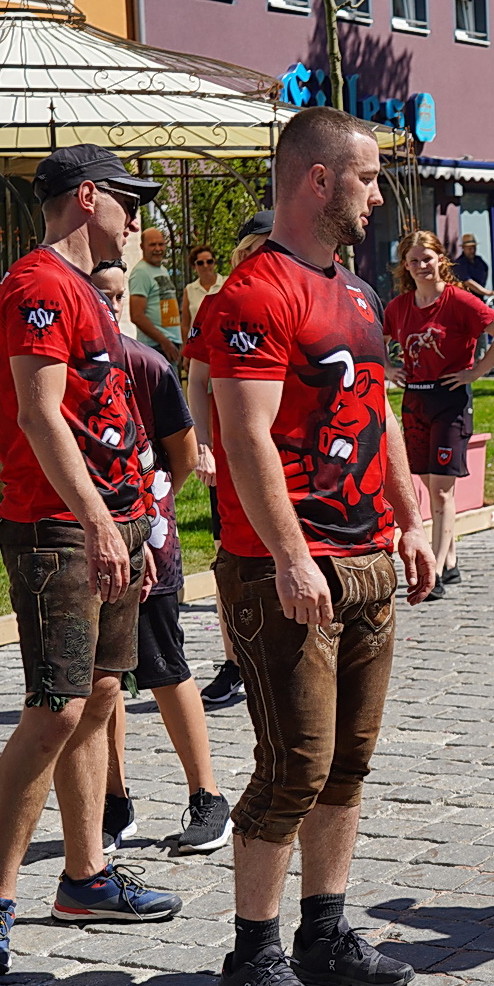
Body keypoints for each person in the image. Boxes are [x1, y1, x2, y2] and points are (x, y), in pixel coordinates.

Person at [191, 106, 436, 986]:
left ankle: (323, 934)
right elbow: (244, 436)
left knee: (347, 762)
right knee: (293, 765)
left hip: (366, 554)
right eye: (367, 178)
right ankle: (250, 959)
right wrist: (292, 556)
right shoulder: (253, 294)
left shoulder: (360, 293)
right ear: (319, 180)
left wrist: (409, 522)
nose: (378, 196)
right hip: (285, 569)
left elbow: (378, 413)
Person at [0, 144, 180, 979]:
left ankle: (85, 878)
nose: (138, 218)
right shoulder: (38, 285)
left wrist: (137, 525)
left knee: (101, 696)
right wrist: (97, 521)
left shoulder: (86, 289)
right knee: (55, 707)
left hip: (109, 524)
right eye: (129, 201)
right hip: (58, 527)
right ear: (88, 197)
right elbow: (41, 414)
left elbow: (106, 410)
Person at [86, 261, 232, 856]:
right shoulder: (67, 366)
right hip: (86, 540)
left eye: (117, 296)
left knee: (163, 663)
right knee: (102, 677)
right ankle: (113, 800)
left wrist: (146, 527)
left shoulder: (146, 364)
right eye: (98, 295)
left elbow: (183, 456)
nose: (109, 305)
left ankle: (207, 795)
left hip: (148, 535)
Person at [385, 230, 494, 600]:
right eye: (413, 260)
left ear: (441, 260)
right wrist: (387, 368)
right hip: (415, 400)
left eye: (427, 258)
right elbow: (373, 339)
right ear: (405, 265)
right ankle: (452, 558)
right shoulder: (399, 307)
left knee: (442, 490)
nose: (421, 266)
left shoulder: (459, 300)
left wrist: (475, 372)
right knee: (429, 484)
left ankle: (437, 569)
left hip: (451, 400)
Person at [195, 210, 272, 711]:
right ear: (241, 253)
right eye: (259, 248)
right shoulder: (215, 305)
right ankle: (234, 660)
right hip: (229, 454)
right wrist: (202, 444)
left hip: (287, 454)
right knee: (232, 555)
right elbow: (197, 380)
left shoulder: (299, 296)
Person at [129, 226, 181, 363]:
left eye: (161, 244)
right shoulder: (141, 273)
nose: (158, 249)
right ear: (142, 247)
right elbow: (137, 315)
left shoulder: (162, 269)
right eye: (152, 245)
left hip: (169, 344)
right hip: (156, 347)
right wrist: (164, 341)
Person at [182, 243, 226, 337]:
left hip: (222, 340)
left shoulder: (227, 284)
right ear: (194, 266)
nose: (205, 265)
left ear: (214, 263)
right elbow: (185, 324)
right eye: (200, 263)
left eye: (209, 261)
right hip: (198, 341)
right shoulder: (189, 290)